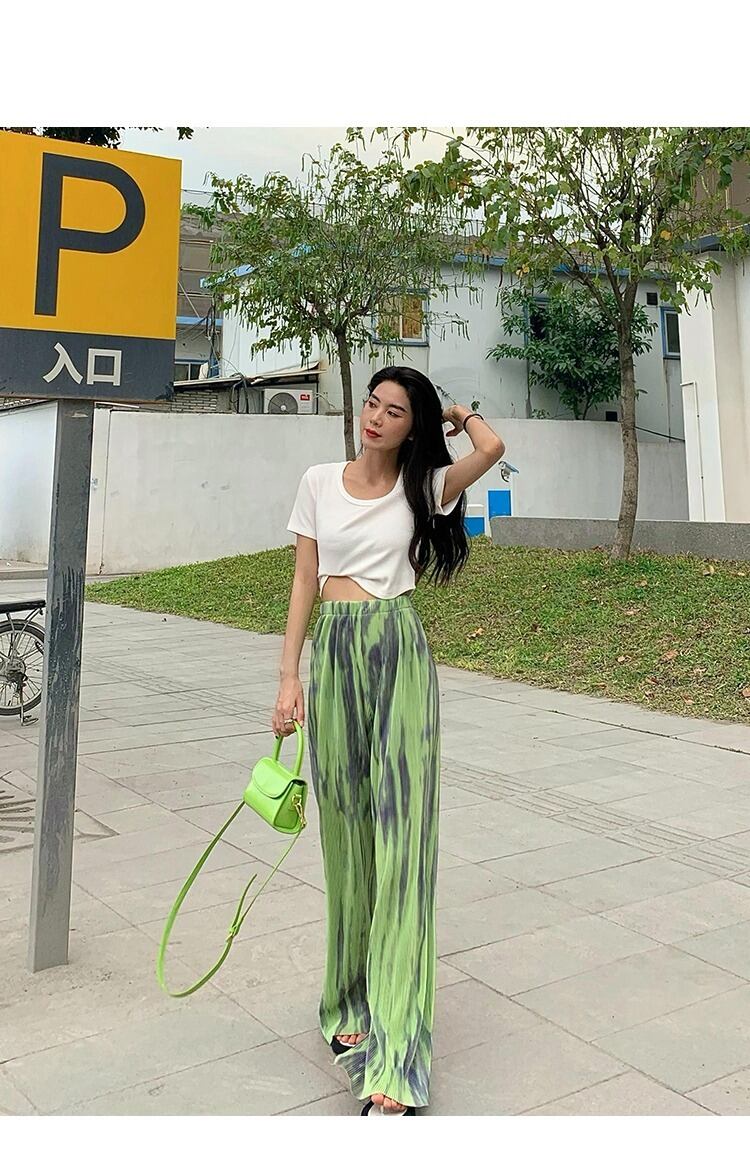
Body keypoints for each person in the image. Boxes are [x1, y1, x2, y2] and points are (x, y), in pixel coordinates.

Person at [273, 366, 505, 1116]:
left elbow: (492, 448)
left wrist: (459, 413)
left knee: (404, 843)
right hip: (334, 652)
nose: (374, 416)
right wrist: (289, 678)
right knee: (345, 839)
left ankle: (398, 1049)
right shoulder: (318, 481)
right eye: (372, 403)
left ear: (413, 426)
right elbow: (304, 579)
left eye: (394, 410)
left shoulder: (425, 486)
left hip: (399, 649)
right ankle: (348, 1001)